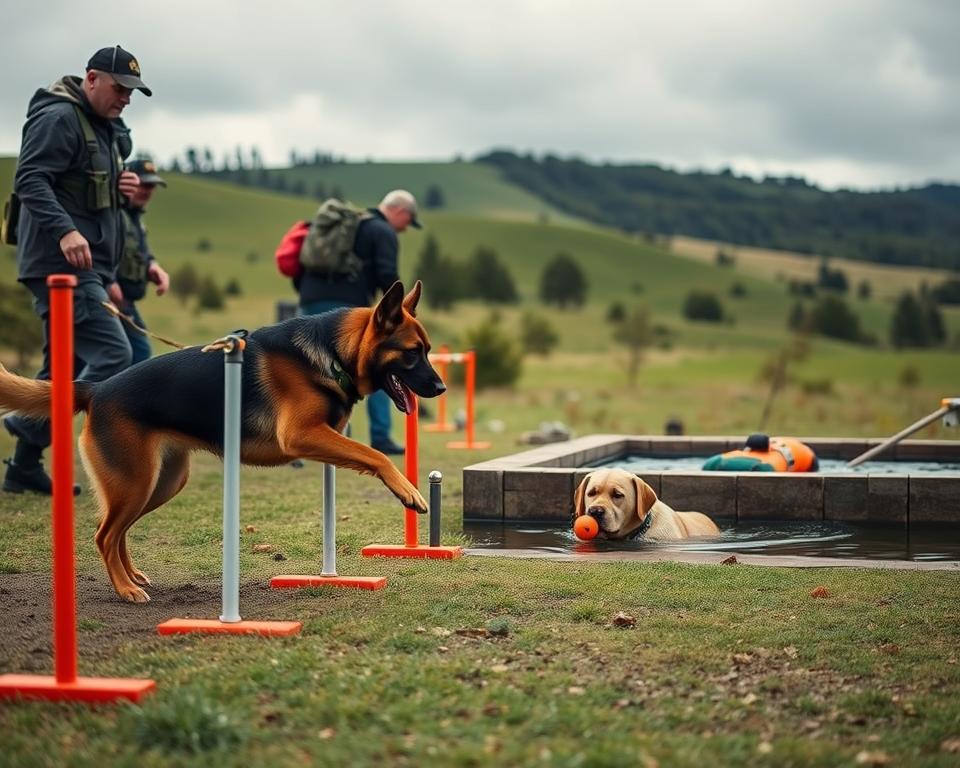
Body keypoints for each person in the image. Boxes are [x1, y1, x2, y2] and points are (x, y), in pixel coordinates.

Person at [2, 45, 151, 495]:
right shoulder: (59, 118)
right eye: (119, 88)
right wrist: (65, 231)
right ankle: (38, 425)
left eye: (132, 92)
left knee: (65, 364)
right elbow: (29, 179)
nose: (125, 97)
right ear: (91, 79)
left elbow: (87, 193)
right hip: (59, 265)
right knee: (117, 354)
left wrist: (124, 191)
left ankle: (24, 464)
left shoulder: (103, 128)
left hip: (86, 268)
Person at [296, 189, 422, 455]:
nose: (405, 229)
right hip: (346, 310)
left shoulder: (348, 226)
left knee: (307, 371)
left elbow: (302, 266)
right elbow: (389, 279)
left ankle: (300, 435)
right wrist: (400, 317)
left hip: (309, 301)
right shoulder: (382, 231)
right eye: (408, 222)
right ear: (400, 211)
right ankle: (380, 437)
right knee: (378, 362)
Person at [113, 156, 170, 363]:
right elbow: (102, 252)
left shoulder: (134, 217)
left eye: (152, 186)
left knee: (135, 354)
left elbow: (140, 253)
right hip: (110, 300)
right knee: (135, 354)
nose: (148, 191)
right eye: (143, 184)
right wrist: (108, 283)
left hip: (125, 303)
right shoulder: (114, 214)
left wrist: (153, 267)